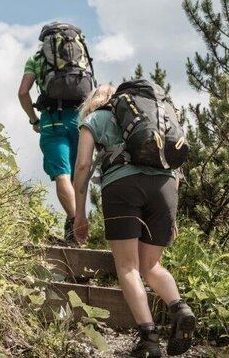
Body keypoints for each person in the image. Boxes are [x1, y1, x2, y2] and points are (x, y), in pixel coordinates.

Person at [72, 85, 197, 357]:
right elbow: (174, 167)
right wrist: (171, 217)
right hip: (165, 188)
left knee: (128, 266)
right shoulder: (154, 119)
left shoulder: (95, 118)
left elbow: (82, 165)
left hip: (123, 186)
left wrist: (79, 213)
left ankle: (149, 339)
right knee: (152, 265)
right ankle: (180, 308)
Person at [17, 22, 94, 243]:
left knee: (62, 174)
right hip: (80, 121)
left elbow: (23, 93)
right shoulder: (80, 57)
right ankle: (79, 225)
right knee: (79, 173)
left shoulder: (37, 59)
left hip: (52, 121)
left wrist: (34, 119)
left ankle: (74, 223)